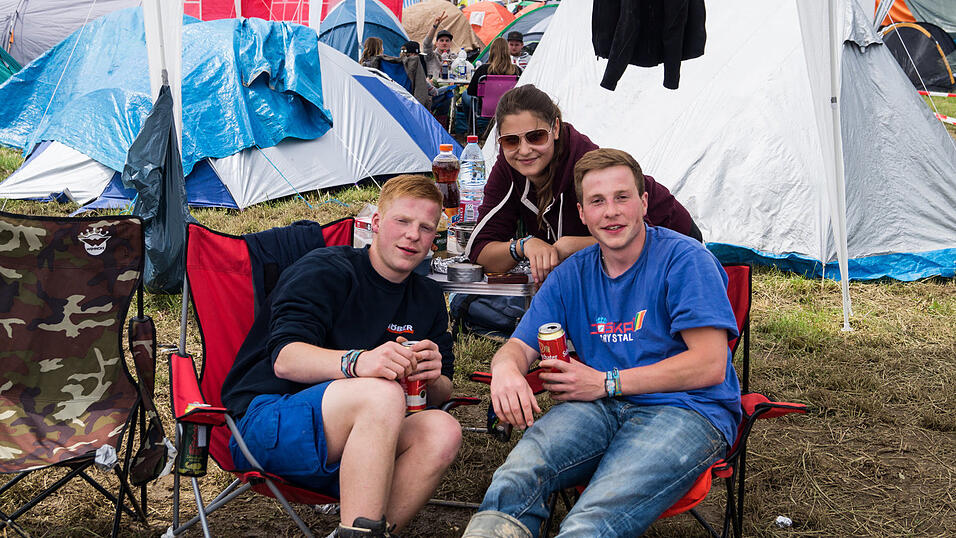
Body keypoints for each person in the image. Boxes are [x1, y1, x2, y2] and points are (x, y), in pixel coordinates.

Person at [460, 148, 742, 538]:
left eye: (621, 197)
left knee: (592, 519)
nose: (610, 211)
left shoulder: (684, 259)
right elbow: (520, 346)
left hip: (686, 410)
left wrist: (606, 382)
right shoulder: (572, 274)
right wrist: (505, 371)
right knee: (518, 474)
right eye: (597, 201)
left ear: (643, 203)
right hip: (598, 408)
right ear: (583, 213)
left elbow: (710, 364)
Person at [221, 175, 462, 538]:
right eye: (402, 221)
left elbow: (443, 391)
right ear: (377, 224)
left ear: (433, 239)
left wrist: (433, 377)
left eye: (426, 228)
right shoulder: (325, 270)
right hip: (267, 422)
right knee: (380, 392)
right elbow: (286, 358)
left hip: (367, 438)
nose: (413, 235)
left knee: (443, 429)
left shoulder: (427, 297)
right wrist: (358, 362)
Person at [465, 84, 702, 285]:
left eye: (536, 136)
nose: (524, 150)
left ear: (555, 128)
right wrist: (523, 246)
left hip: (674, 246)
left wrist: (571, 246)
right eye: (510, 140)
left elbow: (638, 242)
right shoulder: (509, 166)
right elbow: (479, 251)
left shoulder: (586, 164)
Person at [423, 11, 455, 80]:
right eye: (441, 40)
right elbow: (426, 44)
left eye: (447, 41)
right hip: (435, 88)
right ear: (436, 43)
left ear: (450, 43)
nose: (444, 43)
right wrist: (435, 27)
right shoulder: (430, 56)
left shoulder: (455, 58)